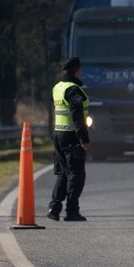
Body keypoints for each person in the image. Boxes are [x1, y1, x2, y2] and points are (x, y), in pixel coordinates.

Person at [48, 56, 91, 221]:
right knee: (76, 174)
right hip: (72, 136)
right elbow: (77, 116)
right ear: (77, 70)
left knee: (63, 173)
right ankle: (72, 211)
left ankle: (54, 208)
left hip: (58, 135)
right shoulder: (73, 89)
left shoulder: (57, 87)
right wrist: (84, 139)